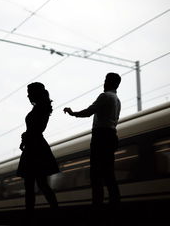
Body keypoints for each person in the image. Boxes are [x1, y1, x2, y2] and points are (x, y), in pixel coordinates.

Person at [64, 73, 121, 208]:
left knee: (96, 175)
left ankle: (97, 206)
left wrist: (73, 113)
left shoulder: (105, 96)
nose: (104, 83)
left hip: (101, 137)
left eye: (106, 80)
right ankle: (115, 203)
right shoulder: (117, 100)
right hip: (112, 135)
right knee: (109, 174)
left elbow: (89, 112)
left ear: (110, 83)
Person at [17, 82, 59, 217]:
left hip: (34, 148)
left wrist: (25, 136)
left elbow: (36, 129)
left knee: (31, 185)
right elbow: (34, 129)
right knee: (40, 184)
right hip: (36, 146)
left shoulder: (40, 109)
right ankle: (55, 212)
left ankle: (31, 215)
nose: (28, 96)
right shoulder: (43, 108)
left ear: (35, 94)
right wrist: (25, 138)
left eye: (29, 94)